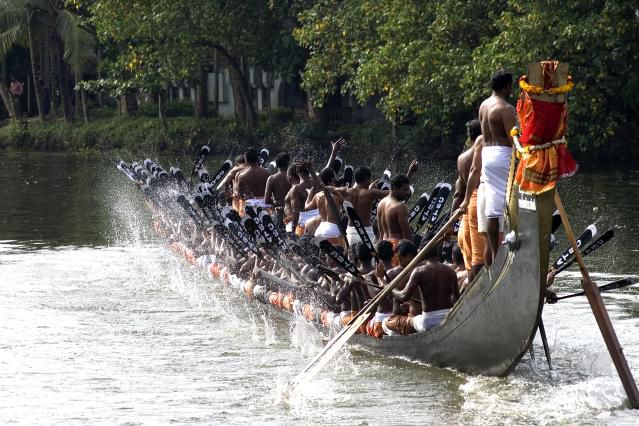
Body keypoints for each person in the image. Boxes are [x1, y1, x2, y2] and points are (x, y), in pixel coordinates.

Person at [466, 70, 516, 265]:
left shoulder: (484, 105)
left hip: (487, 155)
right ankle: (511, 246)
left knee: (494, 210)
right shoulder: (506, 108)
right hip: (502, 155)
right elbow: (514, 140)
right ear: (506, 86)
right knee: (512, 201)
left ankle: (496, 254)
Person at [335, 161, 417, 247]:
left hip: (351, 233)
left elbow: (329, 190)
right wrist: (410, 173)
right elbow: (395, 193)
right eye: (370, 179)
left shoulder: (346, 191)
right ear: (367, 179)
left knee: (352, 258)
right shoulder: (371, 193)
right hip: (366, 233)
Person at [392, 242, 460, 333]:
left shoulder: (419, 271)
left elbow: (403, 296)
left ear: (421, 253)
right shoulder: (450, 271)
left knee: (387, 323)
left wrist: (390, 288)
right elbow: (457, 299)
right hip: (449, 317)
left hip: (428, 322)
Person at [454, 119, 486, 280]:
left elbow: (458, 194)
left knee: (472, 262)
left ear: (470, 136)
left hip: (465, 215)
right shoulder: (487, 152)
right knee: (479, 262)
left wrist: (453, 220)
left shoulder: (462, 159)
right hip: (478, 207)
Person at [381, 239, 420, 336]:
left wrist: (381, 280)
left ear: (410, 257)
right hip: (420, 318)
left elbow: (402, 296)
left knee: (385, 322)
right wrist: (409, 304)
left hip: (416, 320)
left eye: (400, 260)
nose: (399, 264)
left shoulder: (416, 272)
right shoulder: (424, 268)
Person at [376, 174, 413, 262]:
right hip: (398, 251)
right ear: (394, 188)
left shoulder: (381, 203)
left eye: (408, 189)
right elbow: (407, 235)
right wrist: (413, 253)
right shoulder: (400, 206)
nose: (408, 192)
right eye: (404, 189)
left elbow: (380, 232)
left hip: (383, 248)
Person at [305, 166, 345, 247]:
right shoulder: (339, 195)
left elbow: (306, 207)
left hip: (320, 231)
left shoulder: (317, 196)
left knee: (323, 259)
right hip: (333, 231)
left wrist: (309, 194)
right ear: (333, 179)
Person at [235, 148, 272, 212]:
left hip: (251, 205)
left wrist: (246, 196)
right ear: (258, 159)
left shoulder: (241, 175)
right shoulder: (267, 172)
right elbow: (272, 190)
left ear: (246, 160)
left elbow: (238, 194)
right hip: (266, 204)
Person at [265, 152, 292, 226]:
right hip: (291, 212)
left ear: (276, 164)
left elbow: (266, 200)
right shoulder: (294, 178)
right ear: (288, 164)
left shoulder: (272, 179)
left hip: (277, 212)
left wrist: (275, 201)